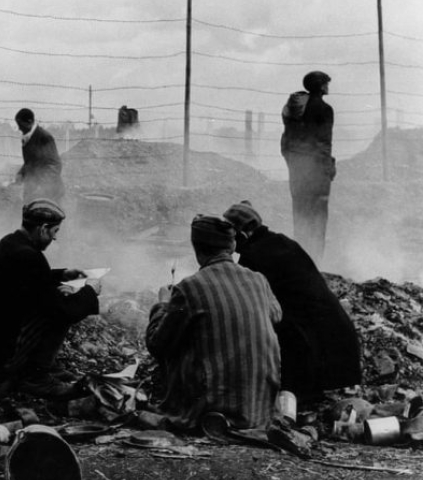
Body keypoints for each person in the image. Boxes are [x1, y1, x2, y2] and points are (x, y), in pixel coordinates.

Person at [145, 215, 282, 431]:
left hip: (209, 411)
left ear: (196, 248)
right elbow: (276, 316)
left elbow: (157, 344)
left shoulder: (189, 287)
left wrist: (162, 304)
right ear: (232, 245)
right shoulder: (258, 280)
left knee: (179, 341)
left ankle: (194, 411)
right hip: (258, 411)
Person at [223, 201, 361, 404]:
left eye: (231, 234)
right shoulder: (283, 242)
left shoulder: (253, 257)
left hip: (312, 345)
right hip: (341, 342)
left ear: (243, 233)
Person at [0, 199, 100, 398]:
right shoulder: (30, 257)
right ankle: (34, 377)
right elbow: (62, 310)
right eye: (55, 232)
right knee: (60, 308)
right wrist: (90, 291)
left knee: (56, 299)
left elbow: (28, 279)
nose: (54, 238)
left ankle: (34, 367)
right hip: (0, 355)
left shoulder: (10, 242)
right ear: (43, 229)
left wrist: (62, 274)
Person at [281, 71, 335, 262]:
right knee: (318, 217)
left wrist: (294, 163)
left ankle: (301, 259)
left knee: (300, 214)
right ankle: (316, 261)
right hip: (317, 171)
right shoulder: (324, 109)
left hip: (298, 169)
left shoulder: (294, 108)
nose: (328, 86)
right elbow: (323, 142)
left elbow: (286, 141)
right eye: (326, 83)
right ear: (320, 86)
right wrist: (328, 166)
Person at [14, 108, 64, 203]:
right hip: (34, 189)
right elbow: (31, 161)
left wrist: (42, 186)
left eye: (20, 125)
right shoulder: (28, 137)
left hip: (48, 193)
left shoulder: (44, 137)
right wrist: (21, 173)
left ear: (30, 122)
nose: (19, 129)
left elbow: (54, 165)